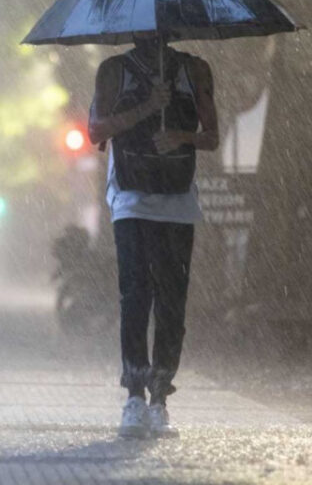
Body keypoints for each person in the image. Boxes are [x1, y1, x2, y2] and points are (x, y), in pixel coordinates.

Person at [88, 38, 218, 439]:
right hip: (130, 198)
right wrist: (146, 107)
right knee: (135, 293)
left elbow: (212, 136)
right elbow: (95, 129)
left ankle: (160, 395)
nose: (154, 34)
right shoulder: (114, 70)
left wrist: (180, 136)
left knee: (172, 297)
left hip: (177, 200)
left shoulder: (194, 70)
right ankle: (134, 394)